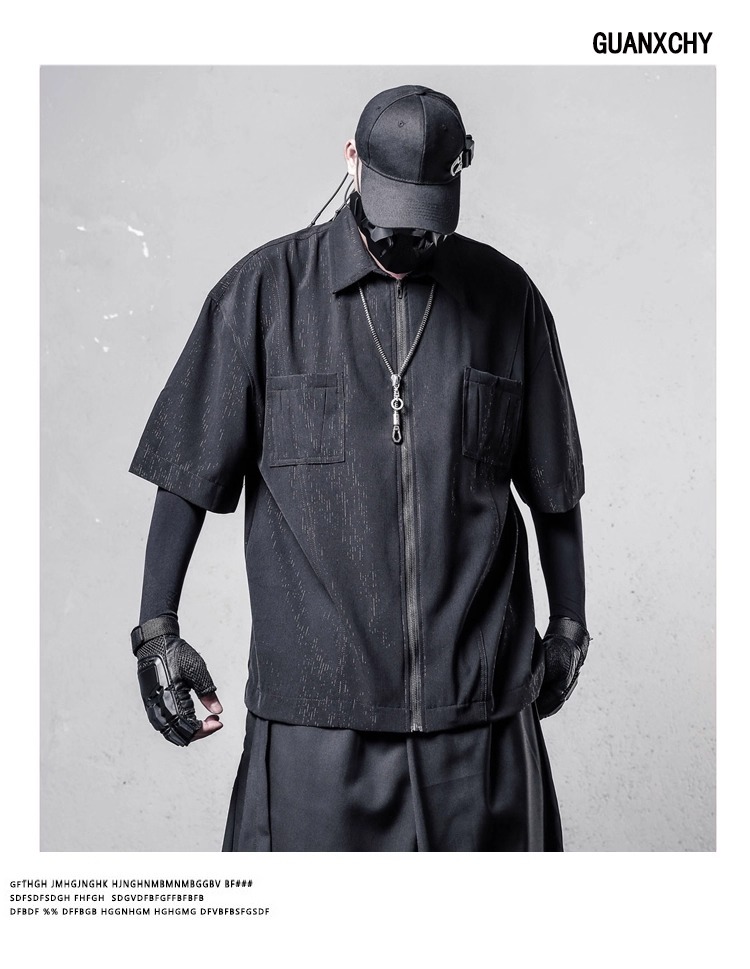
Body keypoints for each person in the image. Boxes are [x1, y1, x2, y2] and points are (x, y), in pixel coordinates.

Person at [128, 84, 590, 851]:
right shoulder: (264, 295)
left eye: (430, 220)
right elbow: (185, 471)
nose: (410, 238)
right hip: (315, 728)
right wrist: (156, 634)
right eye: (392, 215)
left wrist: (570, 619)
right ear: (351, 161)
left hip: (479, 724)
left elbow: (554, 488)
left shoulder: (508, 299)